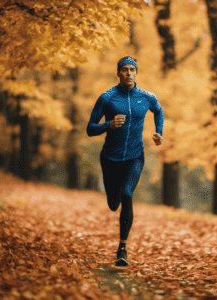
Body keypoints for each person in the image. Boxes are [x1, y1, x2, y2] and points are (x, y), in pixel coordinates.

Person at [87, 55, 164, 266]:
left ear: (136, 72)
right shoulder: (107, 98)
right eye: (125, 70)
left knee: (127, 194)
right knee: (114, 203)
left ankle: (122, 249)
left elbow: (158, 110)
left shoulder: (146, 97)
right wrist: (108, 125)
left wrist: (158, 132)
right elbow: (90, 128)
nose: (129, 73)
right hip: (110, 158)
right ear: (118, 73)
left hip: (135, 156)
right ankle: (113, 199)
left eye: (132, 69)